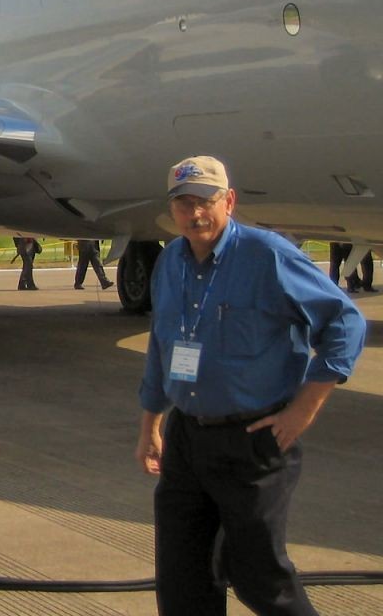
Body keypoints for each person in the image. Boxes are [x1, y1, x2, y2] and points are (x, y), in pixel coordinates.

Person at [135, 156, 366, 616]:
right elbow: (163, 348)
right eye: (183, 203)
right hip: (187, 439)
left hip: (253, 441)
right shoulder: (171, 263)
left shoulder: (267, 255)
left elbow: (345, 323)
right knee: (183, 581)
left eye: (205, 201)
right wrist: (151, 424)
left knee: (259, 577)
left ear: (229, 201)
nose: (195, 213)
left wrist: (304, 408)